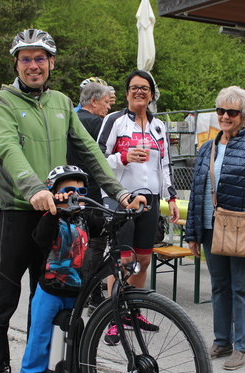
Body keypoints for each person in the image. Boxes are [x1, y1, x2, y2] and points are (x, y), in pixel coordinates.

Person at [0, 29, 145, 373]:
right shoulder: (1, 100)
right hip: (17, 209)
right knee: (3, 299)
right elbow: (6, 147)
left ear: (52, 63)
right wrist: (33, 187)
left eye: (40, 58)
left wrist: (119, 193)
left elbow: (88, 148)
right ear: (16, 64)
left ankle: (40, 372)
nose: (33, 65)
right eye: (25, 59)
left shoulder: (61, 102)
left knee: (48, 295)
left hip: (55, 213)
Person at [185, 86, 245, 371]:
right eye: (221, 111)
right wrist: (192, 233)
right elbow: (196, 191)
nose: (225, 116)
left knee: (243, 289)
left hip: (240, 227)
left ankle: (243, 346)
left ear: (244, 116)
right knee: (219, 286)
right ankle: (222, 340)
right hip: (210, 227)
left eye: (232, 112)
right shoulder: (206, 148)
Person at [97, 70, 179, 344]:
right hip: (121, 198)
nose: (139, 92)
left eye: (144, 88)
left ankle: (133, 312)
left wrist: (171, 198)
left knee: (143, 260)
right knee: (123, 261)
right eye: (134, 88)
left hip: (152, 199)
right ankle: (112, 317)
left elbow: (164, 164)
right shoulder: (115, 120)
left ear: (152, 94)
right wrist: (122, 157)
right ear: (127, 93)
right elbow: (97, 157)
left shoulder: (159, 126)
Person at [20, 165, 89, 373]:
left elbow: (103, 227)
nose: (76, 195)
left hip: (75, 289)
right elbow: (40, 240)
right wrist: (54, 211)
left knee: (74, 332)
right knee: (41, 331)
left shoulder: (85, 220)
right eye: (69, 190)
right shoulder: (51, 219)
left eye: (81, 191)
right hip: (49, 288)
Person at [67, 82, 112, 309]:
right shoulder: (99, 123)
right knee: (96, 243)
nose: (107, 108)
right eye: (105, 102)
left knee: (76, 244)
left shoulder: (70, 121)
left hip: (69, 191)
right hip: (93, 191)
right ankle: (93, 296)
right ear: (93, 101)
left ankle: (75, 293)